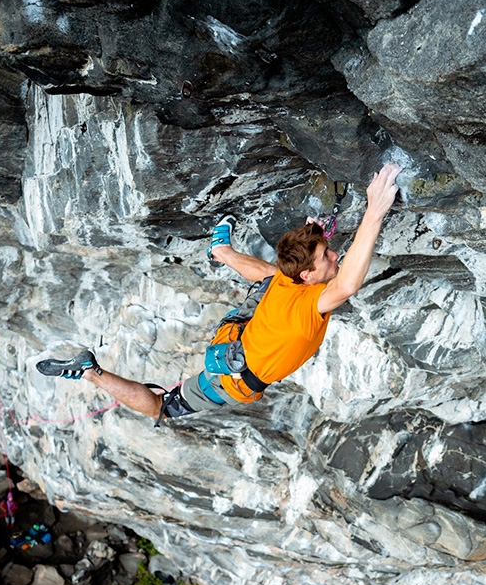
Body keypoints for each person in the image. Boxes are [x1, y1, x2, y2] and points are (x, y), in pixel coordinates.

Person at [36, 162, 402, 423]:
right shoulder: (310, 304)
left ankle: (219, 252)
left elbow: (329, 272)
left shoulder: (296, 282)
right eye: (327, 255)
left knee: (273, 278)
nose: (337, 255)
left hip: (238, 341)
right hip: (235, 362)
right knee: (162, 407)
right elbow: (347, 283)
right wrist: (375, 211)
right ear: (307, 277)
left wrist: (316, 238)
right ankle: (90, 373)